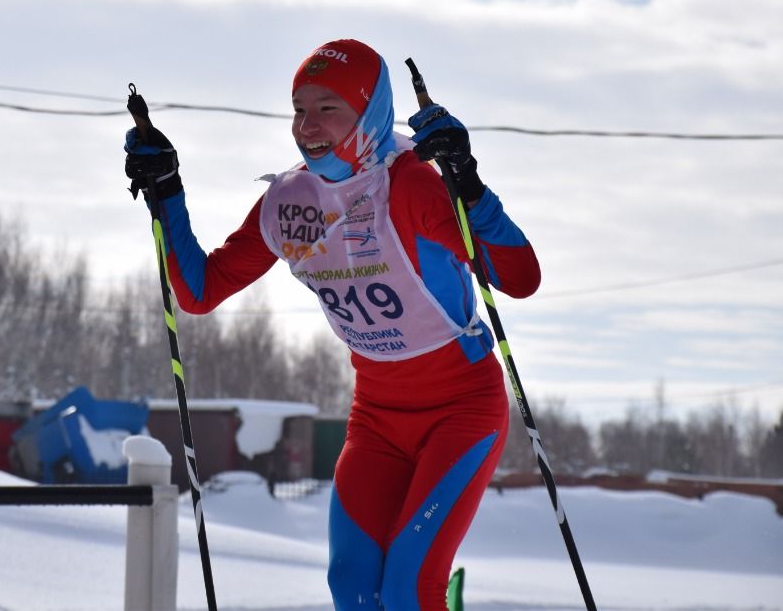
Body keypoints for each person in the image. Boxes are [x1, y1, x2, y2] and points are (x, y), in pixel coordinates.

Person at [124, 39, 540, 610]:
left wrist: (465, 180)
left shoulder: (414, 182)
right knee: (352, 587)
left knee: (408, 588)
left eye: (328, 108)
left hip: (462, 411)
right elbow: (201, 290)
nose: (307, 125)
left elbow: (518, 276)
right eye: (299, 108)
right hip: (376, 420)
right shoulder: (290, 198)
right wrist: (166, 190)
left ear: (369, 113)